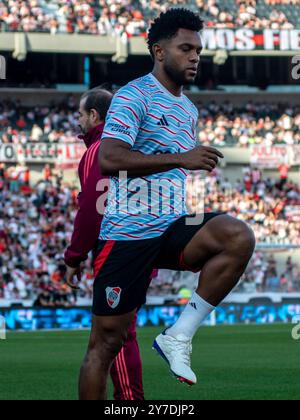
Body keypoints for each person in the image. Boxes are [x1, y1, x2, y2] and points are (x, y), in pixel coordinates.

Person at [80, 8, 256, 400]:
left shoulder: (188, 109)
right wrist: (181, 158)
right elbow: (110, 158)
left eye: (198, 50)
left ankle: (178, 335)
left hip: (172, 224)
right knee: (105, 346)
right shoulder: (132, 95)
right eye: (185, 48)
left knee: (237, 236)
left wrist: (183, 162)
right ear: (159, 51)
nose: (195, 57)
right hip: (126, 234)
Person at [64, 87, 145, 400]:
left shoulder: (97, 150)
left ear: (95, 116)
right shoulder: (129, 146)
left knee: (116, 336)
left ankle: (130, 401)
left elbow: (91, 210)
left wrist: (74, 257)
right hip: (140, 245)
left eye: (81, 115)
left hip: (116, 250)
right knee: (123, 332)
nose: (79, 122)